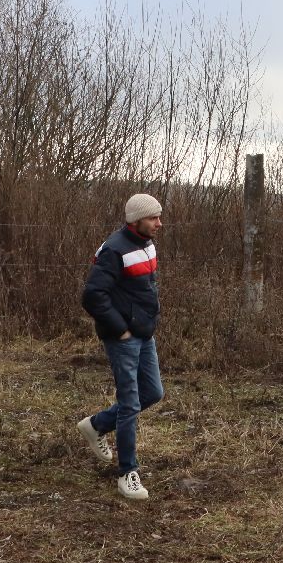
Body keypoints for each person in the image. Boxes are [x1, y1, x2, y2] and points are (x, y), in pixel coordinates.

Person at [77, 193, 165, 501]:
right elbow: (92, 295)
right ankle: (127, 473)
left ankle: (97, 425)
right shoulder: (114, 250)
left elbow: (144, 287)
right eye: (153, 217)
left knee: (153, 393)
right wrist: (122, 329)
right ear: (137, 219)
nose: (159, 223)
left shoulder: (146, 243)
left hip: (144, 333)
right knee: (129, 404)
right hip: (124, 338)